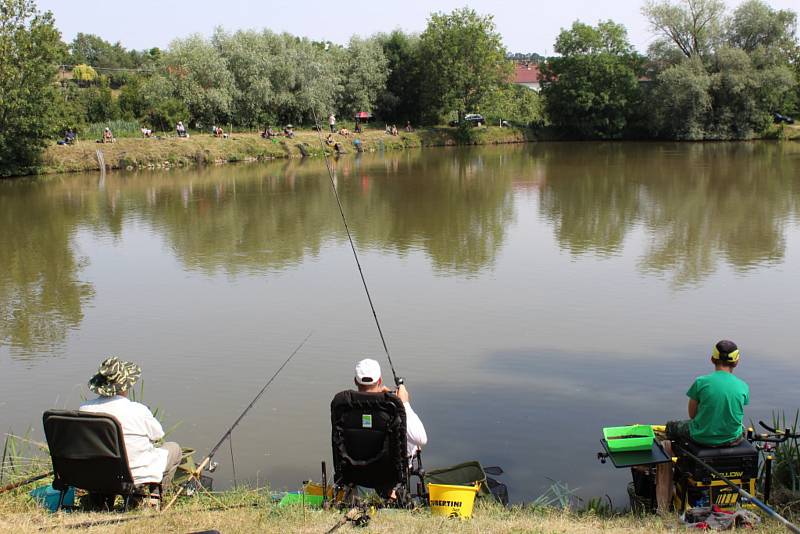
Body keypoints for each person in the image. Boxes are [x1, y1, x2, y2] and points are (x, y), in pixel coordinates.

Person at [655, 340, 750, 511]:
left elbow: (692, 415)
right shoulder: (743, 386)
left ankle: (667, 494)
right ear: (736, 361)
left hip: (701, 438)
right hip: (733, 439)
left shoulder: (701, 382)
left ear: (712, 359)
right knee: (742, 427)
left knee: (671, 427)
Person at [79, 357, 182, 499]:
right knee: (174, 448)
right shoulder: (138, 410)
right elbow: (158, 435)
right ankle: (154, 497)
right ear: (126, 385)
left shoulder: (84, 409)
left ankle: (101, 499)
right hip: (134, 474)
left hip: (98, 474)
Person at [352, 359, 427, 463]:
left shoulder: (346, 407)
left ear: (355, 381)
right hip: (390, 474)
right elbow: (421, 439)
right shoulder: (391, 408)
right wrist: (404, 404)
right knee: (414, 443)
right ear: (379, 381)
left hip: (354, 471)